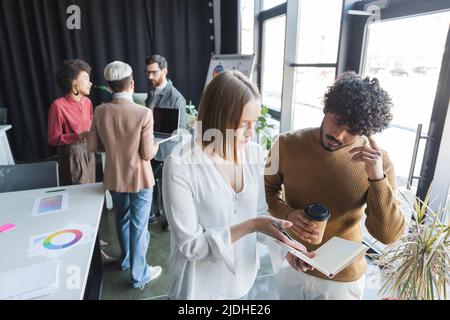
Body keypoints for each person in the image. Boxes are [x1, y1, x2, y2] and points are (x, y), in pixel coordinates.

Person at [162, 70, 314, 300]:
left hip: (242, 281)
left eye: (254, 122)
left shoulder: (252, 154)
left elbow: (261, 213)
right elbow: (190, 246)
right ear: (218, 118)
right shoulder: (180, 164)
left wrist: (288, 249)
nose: (251, 133)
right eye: (244, 124)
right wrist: (252, 225)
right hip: (199, 288)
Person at [265, 71, 406, 300]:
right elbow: (268, 192)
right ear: (326, 109)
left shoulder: (379, 162)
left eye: (352, 130)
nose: (339, 134)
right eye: (337, 121)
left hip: (342, 280)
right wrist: (289, 212)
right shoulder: (286, 144)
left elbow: (388, 235)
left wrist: (377, 179)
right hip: (292, 263)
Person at [87, 61, 162, 289]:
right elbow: (147, 153)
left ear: (110, 87)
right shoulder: (144, 113)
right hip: (140, 178)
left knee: (122, 217)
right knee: (139, 226)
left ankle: (126, 260)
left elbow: (92, 146)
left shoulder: (99, 111)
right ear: (131, 84)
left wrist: (113, 147)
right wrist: (158, 144)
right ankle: (139, 275)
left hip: (115, 177)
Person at [144, 54, 187, 230]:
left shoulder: (177, 98)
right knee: (148, 181)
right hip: (150, 144)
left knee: (170, 189)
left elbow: (181, 129)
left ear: (165, 71)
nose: (149, 77)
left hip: (166, 150)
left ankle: (171, 219)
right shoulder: (151, 93)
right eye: (147, 72)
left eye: (154, 73)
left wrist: (161, 138)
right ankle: (152, 213)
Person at [48, 59, 95, 185]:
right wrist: (78, 136)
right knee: (77, 193)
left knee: (91, 189)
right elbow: (53, 139)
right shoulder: (58, 106)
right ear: (73, 82)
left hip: (88, 150)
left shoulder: (87, 102)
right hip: (71, 154)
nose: (90, 83)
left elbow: (91, 125)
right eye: (85, 79)